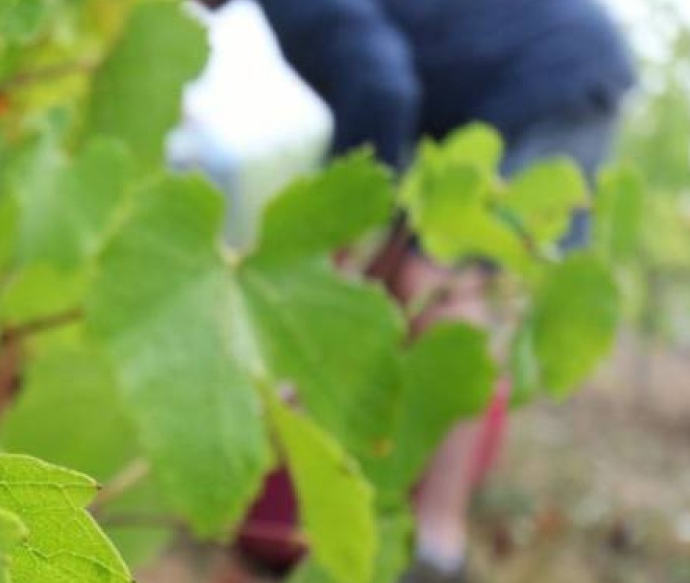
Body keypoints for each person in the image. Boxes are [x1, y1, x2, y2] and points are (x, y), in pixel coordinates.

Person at [197, 0, 635, 580]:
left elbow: (381, 88)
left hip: (543, 78)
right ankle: (392, 505)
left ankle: (436, 546)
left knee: (441, 284)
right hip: (520, 87)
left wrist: (335, 237)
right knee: (409, 278)